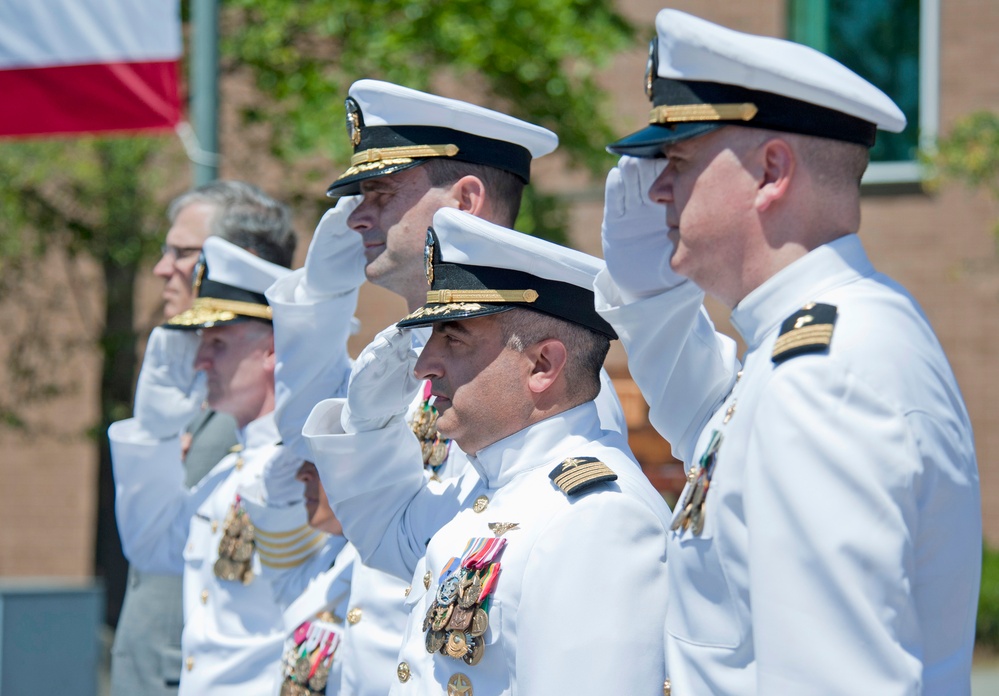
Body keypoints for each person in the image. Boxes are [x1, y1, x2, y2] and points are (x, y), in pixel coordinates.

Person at [594, 9, 982, 694]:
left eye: (677, 161)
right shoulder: (812, 342)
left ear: (772, 171)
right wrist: (646, 293)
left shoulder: (824, 372)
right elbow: (708, 429)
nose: (656, 189)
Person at [264, 79, 629, 692]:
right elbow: (319, 459)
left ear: (464, 201)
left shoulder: (530, 379)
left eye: (382, 192)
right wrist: (319, 301)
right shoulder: (398, 363)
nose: (358, 216)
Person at [302, 207, 673, 694]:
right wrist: (368, 425)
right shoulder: (494, 486)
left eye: (453, 339)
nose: (424, 366)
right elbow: (385, 533)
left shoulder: (595, 515)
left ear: (543, 364)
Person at [110, 234, 360, 695]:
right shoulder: (227, 472)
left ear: (273, 350)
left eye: (218, 343)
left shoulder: (306, 472)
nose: (200, 361)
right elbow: (151, 548)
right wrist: (154, 432)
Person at [111, 180, 296, 696]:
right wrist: (154, 427)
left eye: (183, 253)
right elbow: (152, 547)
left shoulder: (279, 425)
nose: (161, 268)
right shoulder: (188, 386)